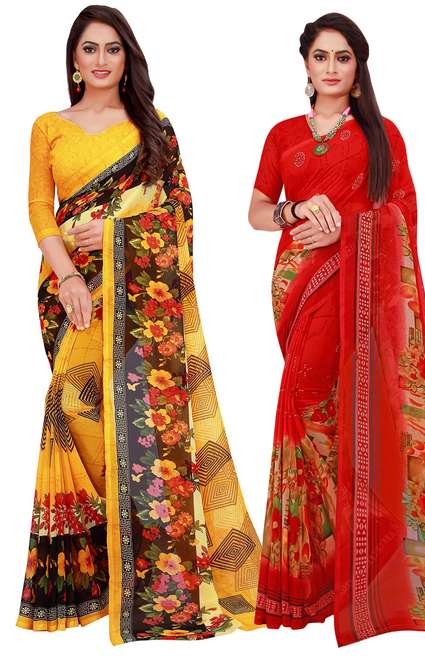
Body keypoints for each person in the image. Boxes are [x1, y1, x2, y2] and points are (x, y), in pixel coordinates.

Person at [248, 11, 425, 647]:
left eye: (343, 57)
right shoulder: (282, 135)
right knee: (306, 411)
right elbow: (256, 213)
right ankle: (326, 571)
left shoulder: (382, 135)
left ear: (358, 69)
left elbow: (403, 213)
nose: (331, 67)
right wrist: (297, 210)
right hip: (299, 290)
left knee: (361, 415)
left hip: (359, 295)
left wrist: (350, 229)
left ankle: (376, 554)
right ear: (306, 66)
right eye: (321, 57)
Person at [16, 4, 262, 645]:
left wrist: (117, 233)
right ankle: (98, 577)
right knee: (76, 412)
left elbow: (179, 213)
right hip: (73, 293)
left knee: (144, 426)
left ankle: (156, 579)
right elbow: (40, 209)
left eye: (113, 49)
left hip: (143, 305)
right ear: (74, 60)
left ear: (128, 59)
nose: (101, 60)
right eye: (90, 48)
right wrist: (69, 276)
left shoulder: (154, 127)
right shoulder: (48, 126)